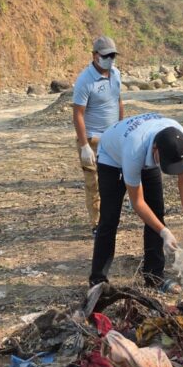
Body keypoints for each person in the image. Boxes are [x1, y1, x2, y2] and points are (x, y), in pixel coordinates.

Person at [89, 112, 183, 292]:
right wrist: (164, 232)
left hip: (145, 152)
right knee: (109, 218)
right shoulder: (135, 149)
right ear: (155, 149)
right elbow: (137, 202)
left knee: (156, 212)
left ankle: (153, 277)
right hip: (112, 156)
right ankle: (98, 280)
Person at [72, 36, 124, 236]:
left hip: (112, 139)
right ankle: (97, 225)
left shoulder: (116, 74)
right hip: (92, 140)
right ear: (95, 56)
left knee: (112, 183)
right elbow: (77, 113)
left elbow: (118, 101)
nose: (110, 59)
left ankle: (110, 219)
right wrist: (84, 145)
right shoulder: (85, 80)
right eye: (106, 56)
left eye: (113, 56)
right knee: (93, 184)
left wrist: (121, 128)